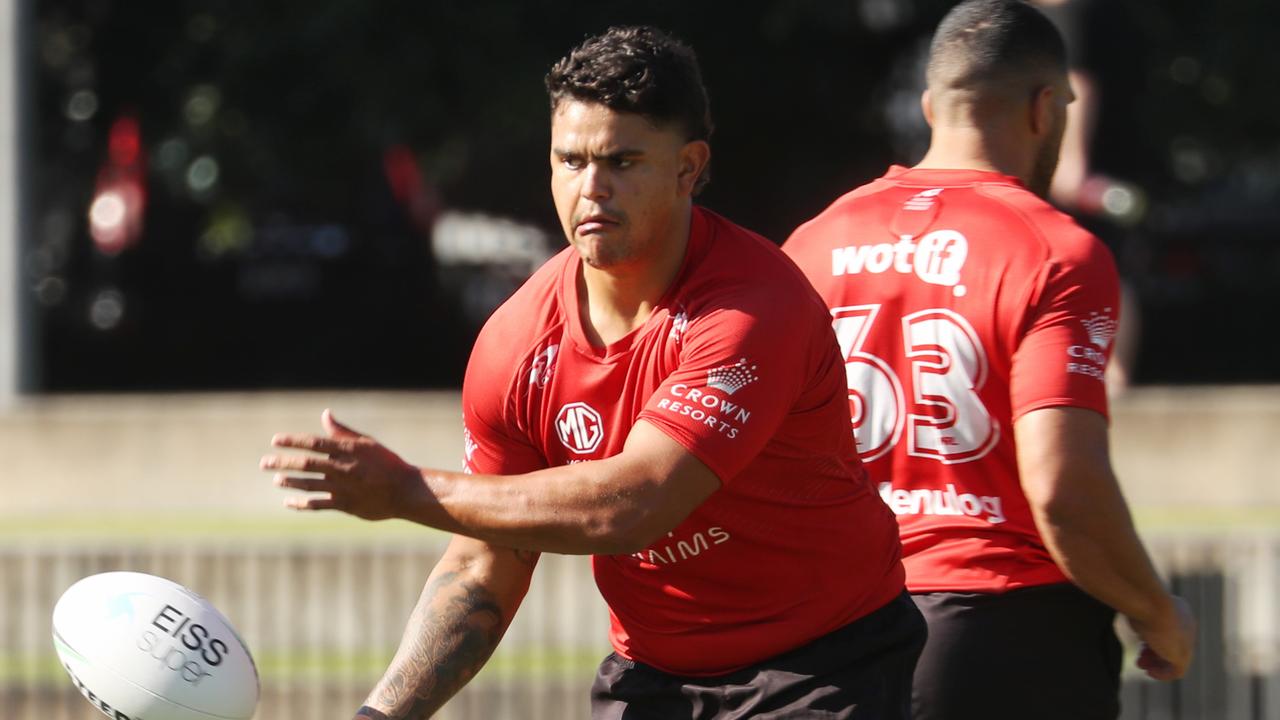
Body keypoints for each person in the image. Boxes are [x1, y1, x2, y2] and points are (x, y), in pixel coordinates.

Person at [261, 25, 924, 720]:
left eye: (623, 161)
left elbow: (631, 505)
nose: (592, 188)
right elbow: (485, 566)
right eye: (570, 161)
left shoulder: (752, 307)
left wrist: (405, 490)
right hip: (654, 675)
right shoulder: (517, 343)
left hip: (823, 666)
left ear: (689, 168)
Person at [781, 2, 1195, 719]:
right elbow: (1063, 491)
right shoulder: (1056, 251)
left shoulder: (812, 244)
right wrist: (1157, 614)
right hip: (1001, 635)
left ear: (929, 106)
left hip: (830, 637)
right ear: (1045, 108)